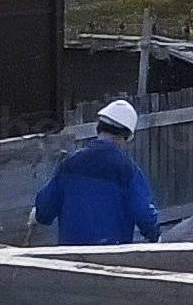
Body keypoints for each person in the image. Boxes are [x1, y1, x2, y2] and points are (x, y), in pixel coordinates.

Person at [32, 99, 162, 246]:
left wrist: (37, 215)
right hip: (111, 255)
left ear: (98, 128)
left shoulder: (70, 163)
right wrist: (154, 235)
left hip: (70, 255)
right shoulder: (128, 170)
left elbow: (45, 209)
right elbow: (143, 212)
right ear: (125, 136)